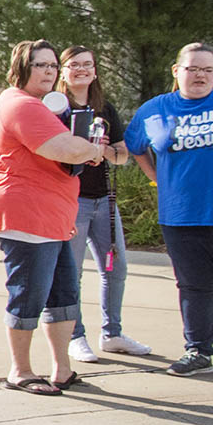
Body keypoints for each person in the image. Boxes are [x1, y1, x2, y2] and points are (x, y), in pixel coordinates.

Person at [0, 40, 108, 396]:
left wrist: (84, 146)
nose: (49, 71)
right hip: (26, 214)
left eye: (52, 65)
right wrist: (94, 148)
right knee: (29, 294)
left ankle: (62, 370)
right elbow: (62, 149)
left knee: (64, 293)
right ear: (22, 68)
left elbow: (68, 146)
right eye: (40, 65)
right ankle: (19, 371)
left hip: (53, 215)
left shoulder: (38, 106)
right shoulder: (21, 104)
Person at [124, 42, 213, 377]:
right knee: (194, 286)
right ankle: (198, 351)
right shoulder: (155, 110)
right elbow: (135, 145)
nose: (200, 75)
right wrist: (155, 177)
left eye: (207, 70)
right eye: (192, 69)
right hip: (182, 218)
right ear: (176, 71)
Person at [56, 46, 153, 362]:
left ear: (95, 71)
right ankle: (75, 335)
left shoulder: (105, 109)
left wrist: (103, 151)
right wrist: (82, 150)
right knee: (72, 273)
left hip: (104, 202)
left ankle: (112, 334)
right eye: (74, 64)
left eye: (88, 64)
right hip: (73, 201)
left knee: (115, 268)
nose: (82, 69)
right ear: (63, 71)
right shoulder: (57, 109)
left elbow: (123, 156)